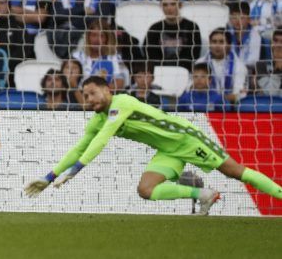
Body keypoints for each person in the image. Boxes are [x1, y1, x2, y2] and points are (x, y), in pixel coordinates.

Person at [24, 76, 282, 214]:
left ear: (107, 90)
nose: (89, 99)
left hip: (187, 139)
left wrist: (75, 171)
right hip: (169, 151)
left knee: (235, 172)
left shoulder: (121, 103)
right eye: (86, 96)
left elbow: (102, 141)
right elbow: (80, 148)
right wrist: (49, 177)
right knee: (146, 190)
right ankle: (204, 195)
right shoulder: (98, 119)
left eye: (93, 93)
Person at [144, 0, 201, 71]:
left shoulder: (192, 27)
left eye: (173, 4)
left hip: (184, 71)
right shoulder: (154, 28)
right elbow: (149, 53)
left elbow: (193, 54)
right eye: (165, 5)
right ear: (161, 7)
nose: (169, 8)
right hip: (160, 72)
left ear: (180, 5)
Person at [195, 28, 249, 104]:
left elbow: (239, 95)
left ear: (229, 45)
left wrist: (216, 100)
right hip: (202, 105)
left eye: (221, 42)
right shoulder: (200, 63)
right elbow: (193, 90)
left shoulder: (239, 66)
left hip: (231, 109)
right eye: (214, 42)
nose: (217, 46)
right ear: (209, 44)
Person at [227, 1, 262, 68]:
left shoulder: (255, 36)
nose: (237, 21)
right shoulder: (227, 34)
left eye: (241, 18)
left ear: (249, 19)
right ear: (230, 19)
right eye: (234, 17)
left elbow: (253, 60)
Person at [252, 29, 282, 97]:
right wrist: (278, 69)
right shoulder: (261, 65)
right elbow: (269, 94)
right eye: (275, 40)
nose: (278, 45)